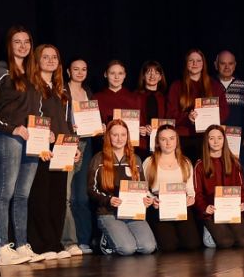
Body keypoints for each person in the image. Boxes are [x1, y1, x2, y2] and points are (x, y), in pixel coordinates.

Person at [0, 26, 43, 265]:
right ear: (10, 45)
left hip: (32, 140)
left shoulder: (32, 74)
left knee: (22, 195)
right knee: (5, 193)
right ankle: (2, 248)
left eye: (26, 41)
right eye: (17, 42)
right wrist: (12, 128)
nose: (22, 46)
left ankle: (21, 245)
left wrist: (42, 132)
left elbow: (37, 109)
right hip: (10, 138)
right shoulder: (1, 71)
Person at [26, 44, 78, 260]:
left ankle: (55, 242)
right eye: (45, 57)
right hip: (41, 148)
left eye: (54, 57)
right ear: (37, 60)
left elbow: (66, 122)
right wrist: (43, 135)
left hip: (62, 148)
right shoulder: (31, 86)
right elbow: (29, 116)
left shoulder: (62, 89)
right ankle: (43, 244)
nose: (50, 60)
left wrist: (72, 147)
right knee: (41, 196)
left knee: (58, 197)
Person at [88, 119, 156, 256]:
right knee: (127, 249)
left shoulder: (135, 159)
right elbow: (91, 189)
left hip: (132, 213)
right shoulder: (99, 159)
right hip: (108, 213)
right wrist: (109, 200)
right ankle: (105, 238)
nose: (119, 139)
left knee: (148, 247)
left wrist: (147, 199)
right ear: (108, 136)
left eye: (123, 135)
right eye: (115, 135)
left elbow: (142, 188)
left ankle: (120, 235)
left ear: (128, 136)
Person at [143, 125, 201, 251]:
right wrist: (152, 200)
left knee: (192, 245)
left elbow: (190, 188)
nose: (168, 143)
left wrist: (191, 198)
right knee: (169, 247)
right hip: (159, 206)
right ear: (158, 142)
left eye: (171, 138)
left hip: (181, 206)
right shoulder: (149, 162)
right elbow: (144, 188)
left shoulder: (185, 162)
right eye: (163, 139)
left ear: (177, 140)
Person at [193, 125, 244, 248]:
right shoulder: (200, 165)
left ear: (224, 140)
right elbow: (197, 192)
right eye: (211, 138)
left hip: (231, 210)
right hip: (212, 211)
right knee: (226, 242)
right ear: (206, 141)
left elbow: (241, 188)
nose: (216, 142)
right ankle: (208, 230)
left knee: (243, 241)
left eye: (219, 138)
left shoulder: (234, 163)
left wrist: (241, 202)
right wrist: (204, 208)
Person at [166, 50, 230, 161]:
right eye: (191, 61)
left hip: (207, 138)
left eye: (198, 61)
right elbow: (170, 114)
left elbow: (224, 111)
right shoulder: (176, 86)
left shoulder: (215, 86)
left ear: (203, 64)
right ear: (186, 64)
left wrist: (213, 120)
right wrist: (187, 117)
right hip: (183, 138)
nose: (195, 64)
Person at [64, 57, 95, 254]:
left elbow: (92, 118)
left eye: (83, 69)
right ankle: (69, 241)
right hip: (67, 143)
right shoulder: (62, 91)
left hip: (86, 143)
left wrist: (98, 126)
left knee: (82, 196)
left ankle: (84, 240)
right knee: (67, 196)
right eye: (76, 69)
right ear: (68, 71)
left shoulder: (88, 92)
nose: (80, 72)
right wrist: (69, 126)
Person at [93, 60, 142, 125]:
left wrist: (142, 129)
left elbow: (140, 124)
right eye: (112, 73)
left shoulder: (135, 98)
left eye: (120, 73)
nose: (116, 77)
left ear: (125, 75)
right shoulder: (96, 98)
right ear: (105, 74)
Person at [215, 50, 244, 147]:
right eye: (222, 63)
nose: (227, 67)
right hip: (213, 140)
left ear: (235, 65)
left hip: (239, 141)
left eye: (230, 63)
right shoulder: (208, 85)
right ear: (216, 65)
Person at [135, 60, 168, 155]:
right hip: (140, 144)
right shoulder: (134, 96)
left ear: (160, 77)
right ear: (143, 76)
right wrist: (139, 128)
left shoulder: (165, 98)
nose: (152, 76)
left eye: (156, 73)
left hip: (160, 144)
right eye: (149, 72)